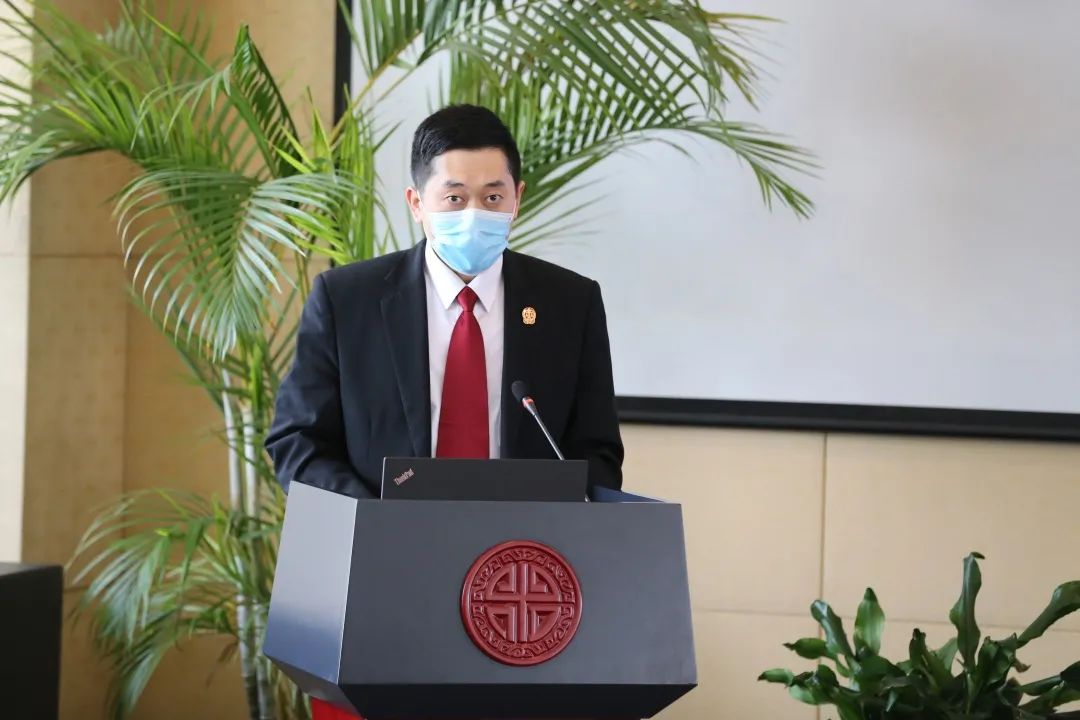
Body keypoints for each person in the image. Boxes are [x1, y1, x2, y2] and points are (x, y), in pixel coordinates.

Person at [264, 104, 625, 720]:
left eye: (492, 196)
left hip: (519, 596)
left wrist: (561, 525)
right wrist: (373, 522)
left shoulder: (570, 303)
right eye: (454, 198)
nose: (474, 213)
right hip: (380, 585)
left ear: (518, 198)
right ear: (417, 202)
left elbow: (597, 450)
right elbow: (296, 442)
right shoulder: (348, 299)